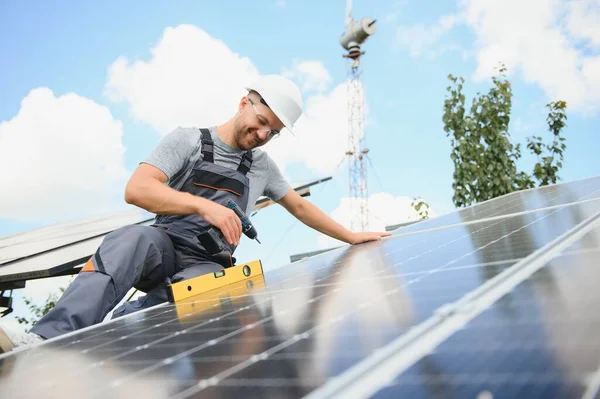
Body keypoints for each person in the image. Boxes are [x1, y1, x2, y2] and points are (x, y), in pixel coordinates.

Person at [0, 75, 390, 353]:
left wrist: (351, 236)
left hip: (206, 264)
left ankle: (110, 338)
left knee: (208, 292)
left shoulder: (262, 167)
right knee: (130, 240)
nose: (262, 135)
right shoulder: (187, 140)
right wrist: (205, 205)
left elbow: (300, 206)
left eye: (272, 132)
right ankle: (46, 340)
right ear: (244, 104)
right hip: (163, 246)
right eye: (261, 123)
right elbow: (137, 189)